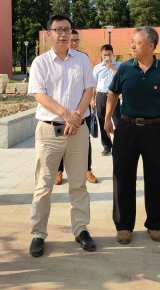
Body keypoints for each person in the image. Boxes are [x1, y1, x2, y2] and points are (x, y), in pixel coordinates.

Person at [104, 27, 160, 244]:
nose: (132, 46)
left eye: (137, 42)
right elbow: (112, 93)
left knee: (157, 177)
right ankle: (124, 225)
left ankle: (155, 224)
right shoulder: (125, 68)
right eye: (132, 41)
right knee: (122, 177)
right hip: (126, 129)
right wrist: (108, 118)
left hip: (154, 130)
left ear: (150, 46)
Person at [27, 15, 96, 257]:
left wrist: (75, 117)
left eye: (67, 29)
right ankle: (38, 233)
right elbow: (39, 94)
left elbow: (89, 88)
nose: (64, 34)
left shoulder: (82, 60)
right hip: (49, 130)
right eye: (58, 30)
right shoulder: (40, 62)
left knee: (78, 184)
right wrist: (66, 114)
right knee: (43, 185)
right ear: (49, 34)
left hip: (78, 130)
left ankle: (81, 229)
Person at [55, 30, 99, 185]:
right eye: (71, 40)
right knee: (61, 139)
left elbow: (89, 85)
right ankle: (59, 171)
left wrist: (84, 107)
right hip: (62, 111)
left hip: (82, 110)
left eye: (76, 41)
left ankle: (88, 170)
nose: (74, 43)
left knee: (85, 141)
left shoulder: (83, 58)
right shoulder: (56, 59)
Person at [92, 44, 121, 156]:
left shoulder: (119, 66)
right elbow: (93, 85)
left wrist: (111, 67)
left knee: (118, 121)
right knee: (102, 120)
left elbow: (121, 78)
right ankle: (107, 146)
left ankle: (119, 145)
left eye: (109, 54)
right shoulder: (97, 68)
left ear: (113, 54)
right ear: (101, 55)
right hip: (101, 96)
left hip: (114, 96)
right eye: (104, 55)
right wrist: (92, 99)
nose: (107, 57)